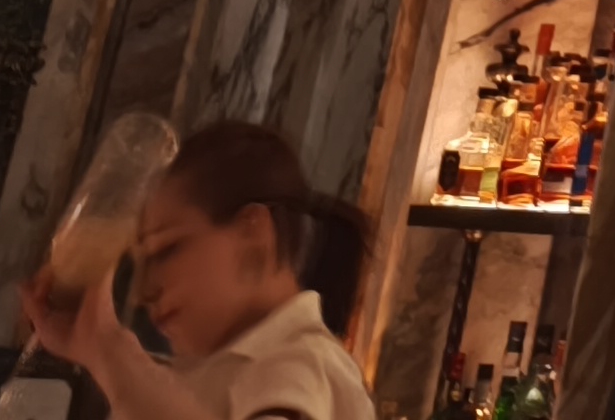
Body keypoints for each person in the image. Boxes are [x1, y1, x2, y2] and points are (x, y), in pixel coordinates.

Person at [23, 121, 375, 420]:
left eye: (167, 250)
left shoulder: (304, 364)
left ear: (252, 231)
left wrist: (109, 349)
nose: (143, 292)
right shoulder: (194, 374)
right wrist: (92, 347)